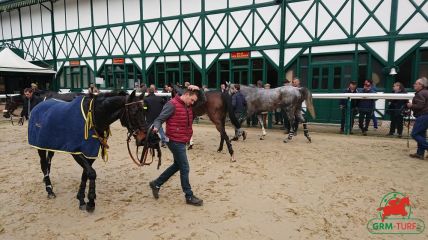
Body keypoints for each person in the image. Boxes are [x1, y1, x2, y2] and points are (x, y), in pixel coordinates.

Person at [149, 85, 203, 206]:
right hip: (174, 140)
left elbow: (203, 100)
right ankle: (189, 195)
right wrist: (156, 127)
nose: (193, 103)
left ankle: (156, 183)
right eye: (192, 100)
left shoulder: (187, 105)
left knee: (177, 165)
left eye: (194, 101)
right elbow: (159, 119)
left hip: (182, 139)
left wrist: (198, 89)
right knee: (185, 167)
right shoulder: (172, 104)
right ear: (187, 95)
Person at [407, 77, 428, 160]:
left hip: (423, 116)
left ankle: (424, 150)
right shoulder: (425, 92)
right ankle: (420, 153)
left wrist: (411, 105)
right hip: (425, 116)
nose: (414, 85)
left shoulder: (420, 93)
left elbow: (420, 106)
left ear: (421, 85)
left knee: (415, 134)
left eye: (416, 83)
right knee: (421, 135)